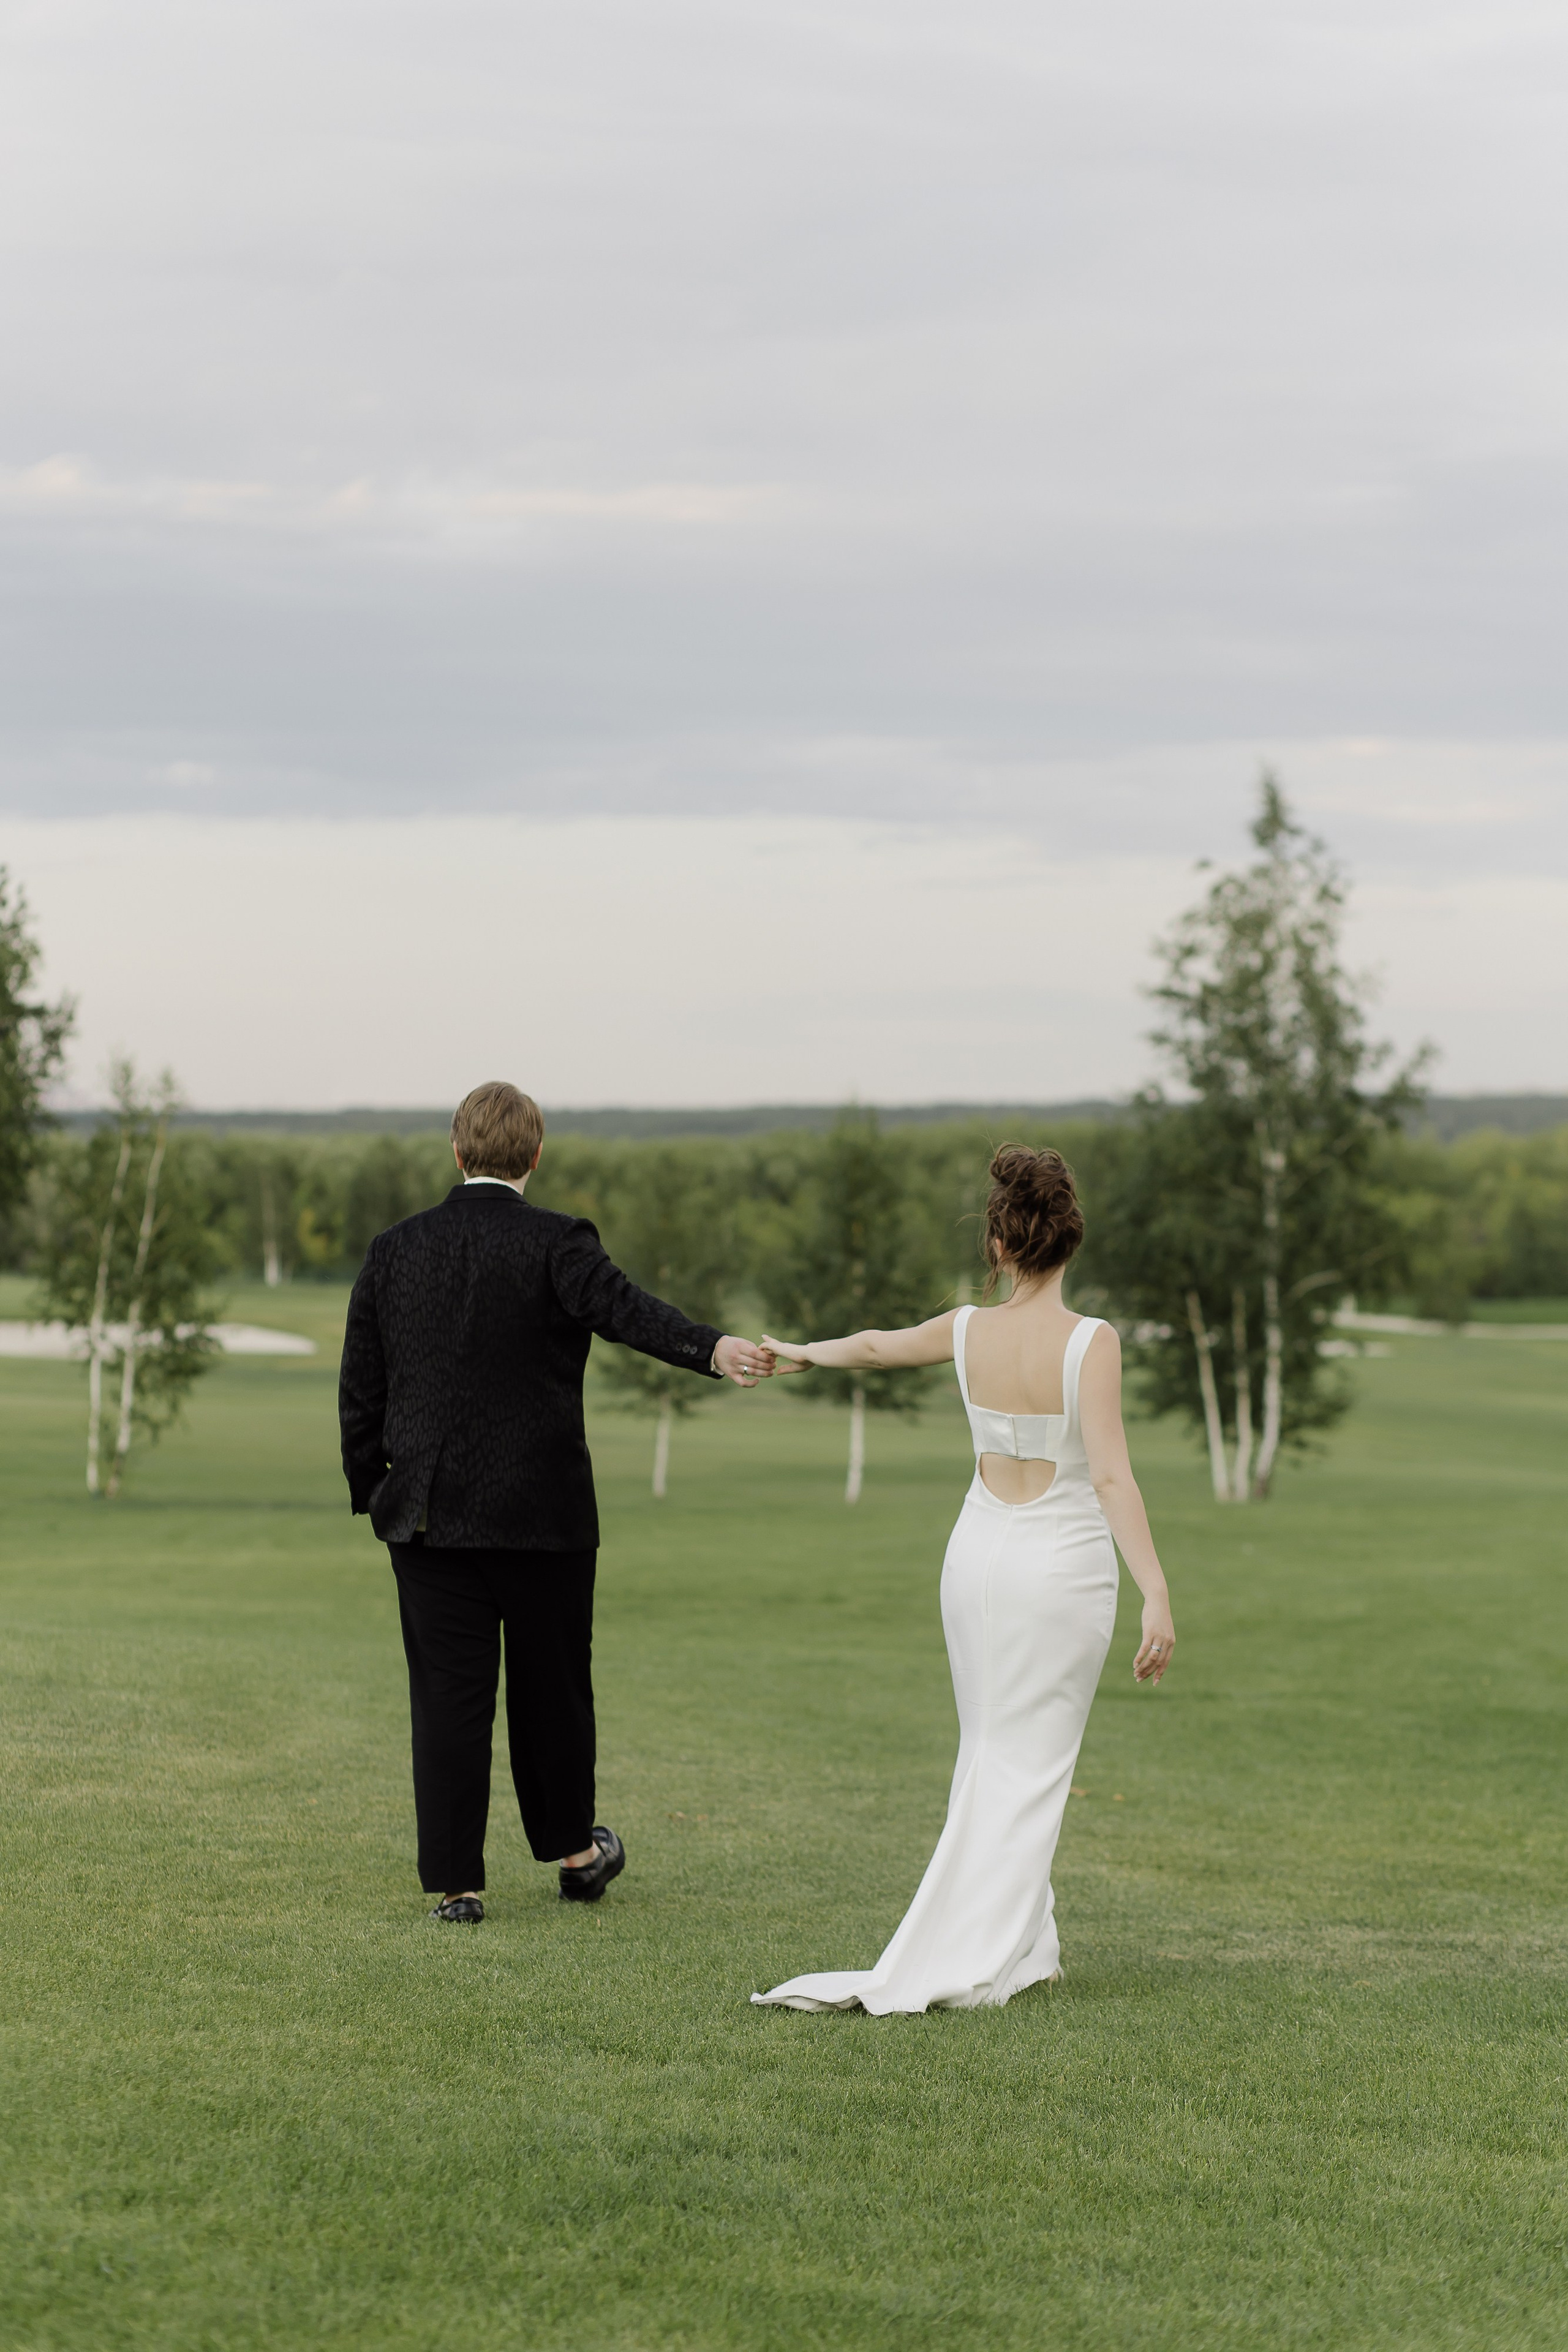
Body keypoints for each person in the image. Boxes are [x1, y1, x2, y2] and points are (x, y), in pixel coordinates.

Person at [752, 1144, 1175, 2013]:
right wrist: (1157, 1592)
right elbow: (1109, 1478)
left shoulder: (966, 1329)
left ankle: (1028, 1943)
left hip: (976, 1558)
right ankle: (985, 1948)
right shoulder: (1092, 1341)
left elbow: (873, 1347)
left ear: (999, 1245)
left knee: (992, 1750)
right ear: (1070, 1243)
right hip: (1059, 1569)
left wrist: (802, 1351)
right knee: (1033, 1762)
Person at [338, 1080, 772, 1922]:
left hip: (427, 1519)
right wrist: (712, 1349)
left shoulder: (395, 1248)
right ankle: (577, 1856)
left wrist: (374, 1489)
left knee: (448, 1702)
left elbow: (362, 1385)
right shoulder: (558, 1241)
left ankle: (458, 1888)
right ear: (535, 1157)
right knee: (553, 1693)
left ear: (456, 1151)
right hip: (544, 1517)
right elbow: (625, 1312)